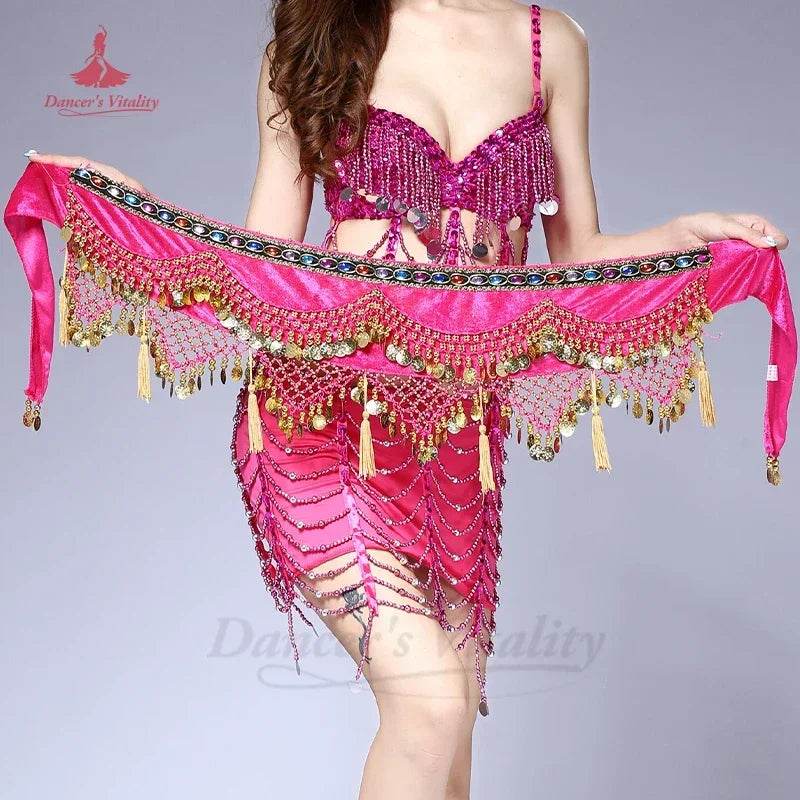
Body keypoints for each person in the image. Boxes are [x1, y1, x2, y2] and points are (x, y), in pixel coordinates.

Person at [26, 3, 789, 799]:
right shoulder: (323, 29)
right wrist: (135, 214)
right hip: (320, 418)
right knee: (431, 707)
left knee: (449, 747)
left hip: (456, 442)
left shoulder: (551, 43)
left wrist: (683, 234)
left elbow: (578, 254)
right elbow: (262, 261)